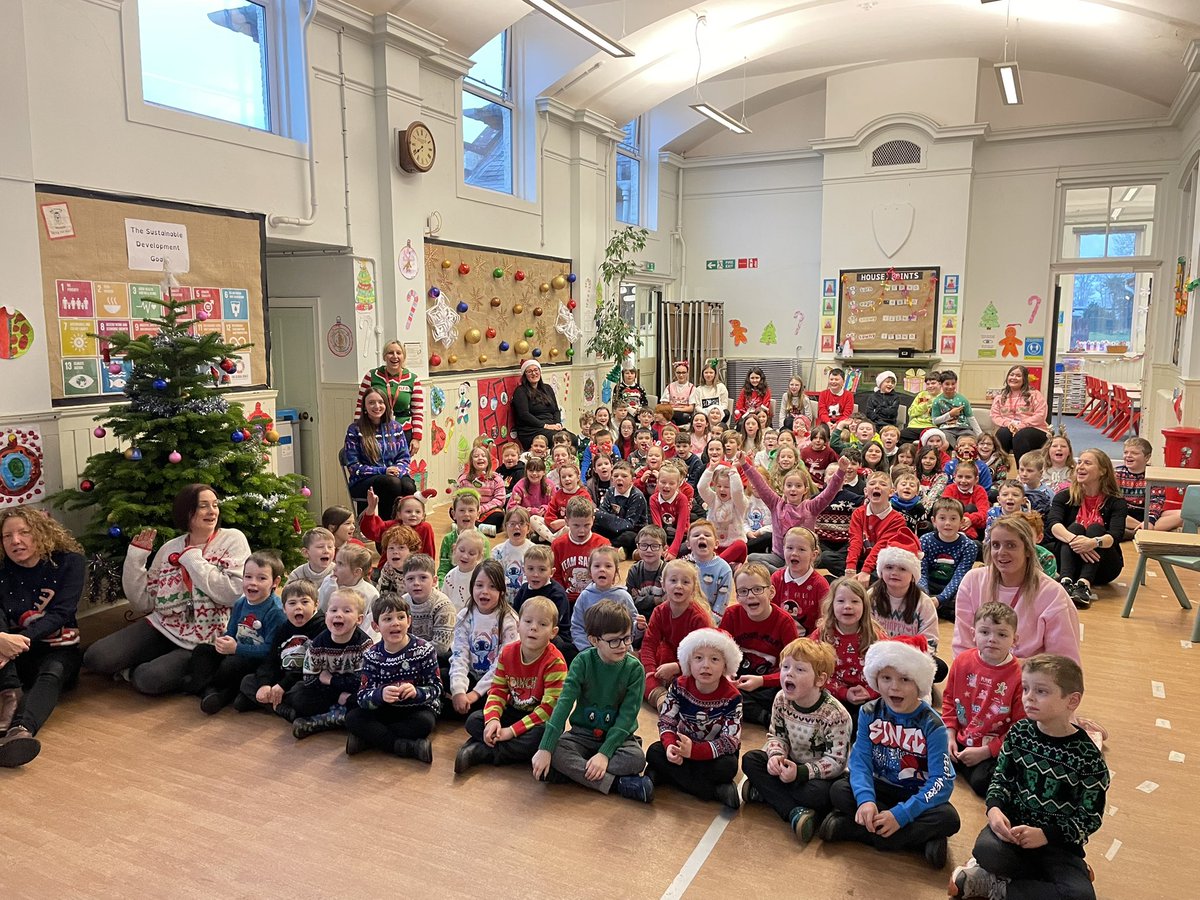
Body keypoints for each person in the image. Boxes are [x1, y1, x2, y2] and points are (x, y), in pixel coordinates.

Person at [951, 655, 1109, 900]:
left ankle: (997, 886)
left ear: (1072, 701)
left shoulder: (1088, 758)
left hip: (1058, 846)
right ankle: (1039, 882)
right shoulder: (1019, 733)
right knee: (986, 850)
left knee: (1081, 897)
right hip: (1012, 833)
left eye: (1041, 691)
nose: (1029, 697)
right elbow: (1000, 779)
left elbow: (1089, 818)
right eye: (1025, 689)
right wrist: (994, 809)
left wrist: (1046, 834)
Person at [83, 484, 250, 696]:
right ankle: (151, 663)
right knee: (95, 657)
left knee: (147, 679)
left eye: (215, 505)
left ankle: (147, 669)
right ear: (186, 511)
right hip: (164, 627)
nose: (212, 511)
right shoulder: (170, 547)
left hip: (205, 639)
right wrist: (135, 559)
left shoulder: (232, 539)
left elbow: (232, 594)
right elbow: (143, 602)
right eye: (203, 506)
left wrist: (194, 560)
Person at [821, 636, 961, 869]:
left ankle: (854, 830)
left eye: (904, 679)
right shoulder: (869, 712)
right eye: (886, 678)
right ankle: (916, 841)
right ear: (876, 679)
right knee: (839, 791)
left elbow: (941, 782)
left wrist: (902, 815)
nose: (894, 687)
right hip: (881, 788)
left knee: (949, 819)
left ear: (918, 684)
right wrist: (866, 801)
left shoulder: (933, 725)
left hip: (915, 793)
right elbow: (860, 761)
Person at [531, 600, 652, 802]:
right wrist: (545, 747)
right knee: (557, 749)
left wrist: (604, 754)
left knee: (637, 759)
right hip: (583, 734)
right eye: (614, 640)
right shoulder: (582, 662)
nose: (622, 646)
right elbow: (564, 703)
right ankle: (617, 784)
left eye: (627, 638)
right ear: (594, 641)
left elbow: (627, 717)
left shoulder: (635, 669)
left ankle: (577, 773)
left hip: (619, 739)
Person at [741, 637, 852, 843]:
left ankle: (767, 794)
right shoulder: (781, 699)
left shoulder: (836, 714)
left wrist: (800, 773)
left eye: (800, 670)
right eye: (785, 667)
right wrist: (776, 756)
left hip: (816, 775)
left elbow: (836, 762)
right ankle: (795, 811)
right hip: (788, 766)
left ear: (819, 680)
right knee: (750, 759)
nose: (789, 673)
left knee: (819, 794)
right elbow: (777, 736)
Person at [0, 509, 86, 767]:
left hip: (58, 648)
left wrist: (16, 642)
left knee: (52, 673)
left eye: (24, 532)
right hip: (10, 656)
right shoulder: (2, 571)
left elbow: (62, 613)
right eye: (7, 536)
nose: (16, 541)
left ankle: (20, 730)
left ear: (41, 532)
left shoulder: (70, 562)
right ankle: (9, 691)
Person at [455, 595, 568, 773]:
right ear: (518, 625)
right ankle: (506, 747)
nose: (533, 628)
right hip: (513, 711)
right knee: (474, 721)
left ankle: (484, 752)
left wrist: (511, 732)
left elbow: (548, 709)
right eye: (528, 621)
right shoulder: (507, 653)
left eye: (543, 624)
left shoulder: (555, 663)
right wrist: (493, 720)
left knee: (543, 736)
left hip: (539, 719)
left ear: (553, 632)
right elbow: (497, 690)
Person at [953, 514, 1081, 663]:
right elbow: (962, 646)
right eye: (996, 545)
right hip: (980, 673)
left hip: (1030, 680)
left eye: (1011, 545)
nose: (1001, 552)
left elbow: (1063, 661)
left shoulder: (1053, 594)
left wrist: (1009, 667)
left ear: (1028, 549)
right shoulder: (972, 581)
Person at [645, 627, 744, 809]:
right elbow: (667, 720)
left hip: (712, 754)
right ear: (688, 662)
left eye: (714, 659)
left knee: (728, 767)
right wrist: (670, 746)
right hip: (682, 746)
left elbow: (730, 741)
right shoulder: (679, 685)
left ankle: (668, 776)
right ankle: (713, 791)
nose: (705, 665)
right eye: (698, 658)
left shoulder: (732, 697)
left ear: (725, 665)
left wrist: (696, 752)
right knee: (654, 751)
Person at [186, 552, 286, 714]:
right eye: (248, 577)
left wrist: (236, 649)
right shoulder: (240, 602)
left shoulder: (275, 611)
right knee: (202, 651)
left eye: (261, 578)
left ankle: (214, 690)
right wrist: (224, 642)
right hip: (235, 652)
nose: (253, 583)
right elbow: (231, 631)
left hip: (257, 661)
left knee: (231, 665)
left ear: (275, 582)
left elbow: (270, 651)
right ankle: (213, 691)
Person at [942, 601, 1024, 799]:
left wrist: (987, 751)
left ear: (1015, 639)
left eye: (1002, 634)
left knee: (982, 783)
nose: (992, 640)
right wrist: (949, 735)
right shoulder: (962, 661)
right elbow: (949, 701)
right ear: (973, 634)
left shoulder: (1020, 675)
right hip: (960, 736)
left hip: (991, 746)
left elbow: (1020, 726)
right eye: (985, 632)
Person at [344, 594, 440, 762]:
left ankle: (370, 740)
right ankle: (404, 746)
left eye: (401, 617)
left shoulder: (425, 650)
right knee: (353, 718)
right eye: (388, 619)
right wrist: (380, 694)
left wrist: (416, 691)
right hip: (385, 709)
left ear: (409, 621)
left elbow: (436, 688)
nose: (395, 623)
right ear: (376, 626)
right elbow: (362, 696)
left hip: (415, 708)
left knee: (425, 723)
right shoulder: (371, 655)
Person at [1047, 449, 1127, 610]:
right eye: (1080, 462)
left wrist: (1092, 543)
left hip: (1104, 567)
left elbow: (1115, 535)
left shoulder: (1116, 502)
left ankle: (1084, 584)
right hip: (1069, 560)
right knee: (1075, 528)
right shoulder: (1064, 496)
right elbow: (1053, 525)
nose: (1080, 467)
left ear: (1103, 471)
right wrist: (1075, 540)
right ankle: (1066, 582)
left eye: (1087, 463)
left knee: (1096, 529)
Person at [721, 562, 799, 726]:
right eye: (743, 591)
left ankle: (760, 713)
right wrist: (725, 675)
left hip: (768, 685)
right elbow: (718, 653)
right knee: (717, 687)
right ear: (737, 595)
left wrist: (762, 681)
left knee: (790, 692)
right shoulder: (731, 615)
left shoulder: (785, 622)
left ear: (771, 592)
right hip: (737, 683)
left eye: (757, 589)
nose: (750, 596)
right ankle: (767, 717)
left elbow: (793, 667)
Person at [290, 588, 374, 739]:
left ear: (359, 619)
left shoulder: (365, 644)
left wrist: (331, 680)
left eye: (347, 611)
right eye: (333, 610)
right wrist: (339, 695)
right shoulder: (317, 644)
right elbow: (310, 679)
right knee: (299, 698)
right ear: (326, 614)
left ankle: (321, 721)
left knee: (368, 700)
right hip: (330, 693)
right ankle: (340, 715)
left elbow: (363, 680)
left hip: (351, 692)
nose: (338, 614)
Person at [743, 453, 849, 570]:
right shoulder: (776, 504)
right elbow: (760, 484)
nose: (793, 489)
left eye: (798, 486)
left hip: (803, 558)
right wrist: (744, 464)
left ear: (805, 490)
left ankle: (787, 573)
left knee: (812, 560)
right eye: (789, 485)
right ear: (783, 488)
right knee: (752, 558)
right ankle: (783, 573)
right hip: (779, 557)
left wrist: (841, 471)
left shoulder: (811, 507)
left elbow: (829, 492)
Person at [235, 580, 323, 720]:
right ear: (284, 608)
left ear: (315, 605)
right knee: (247, 681)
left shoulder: (322, 628)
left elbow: (314, 667)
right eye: (292, 603)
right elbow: (272, 659)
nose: (298, 608)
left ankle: (271, 704)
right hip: (283, 677)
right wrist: (265, 684)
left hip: (304, 679)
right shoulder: (284, 628)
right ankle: (281, 707)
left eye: (305, 602)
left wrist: (282, 686)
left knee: (302, 692)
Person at [812, 577, 887, 728]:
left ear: (864, 606)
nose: (847, 606)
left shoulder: (876, 636)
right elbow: (813, 673)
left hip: (870, 698)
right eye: (840, 601)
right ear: (831, 605)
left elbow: (888, 672)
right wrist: (843, 693)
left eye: (855, 601)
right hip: (832, 698)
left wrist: (870, 691)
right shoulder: (822, 635)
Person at [449, 560, 518, 716]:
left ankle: (470, 709)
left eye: (492, 586)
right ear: (472, 587)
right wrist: (459, 690)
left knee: (502, 697)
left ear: (501, 591)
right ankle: (462, 705)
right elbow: (460, 655)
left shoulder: (509, 620)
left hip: (498, 682)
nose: (485, 591)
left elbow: (501, 664)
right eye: (479, 585)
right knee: (443, 673)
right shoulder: (464, 616)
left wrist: (475, 694)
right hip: (472, 676)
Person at [870, 547, 946, 684]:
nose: (894, 573)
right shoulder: (871, 597)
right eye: (889, 567)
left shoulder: (924, 603)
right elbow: (864, 635)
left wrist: (904, 657)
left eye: (902, 569)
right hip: (878, 656)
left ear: (913, 575)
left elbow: (930, 641)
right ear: (881, 571)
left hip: (910, 657)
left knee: (940, 669)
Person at [343, 387, 414, 520]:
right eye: (371, 403)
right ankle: (384, 534)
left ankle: (406, 533)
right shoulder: (355, 430)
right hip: (362, 481)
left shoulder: (396, 427)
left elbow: (404, 458)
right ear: (364, 406)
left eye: (380, 402)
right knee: (391, 484)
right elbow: (353, 467)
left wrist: (398, 470)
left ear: (386, 405)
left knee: (408, 486)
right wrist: (383, 470)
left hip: (393, 476)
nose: (377, 406)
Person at [846, 471, 921, 582]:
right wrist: (850, 569)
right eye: (872, 484)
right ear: (866, 491)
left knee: (887, 573)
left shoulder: (897, 519)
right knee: (828, 558)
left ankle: (865, 580)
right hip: (862, 558)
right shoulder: (858, 513)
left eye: (883, 484)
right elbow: (855, 541)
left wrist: (866, 571)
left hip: (881, 561)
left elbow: (880, 547)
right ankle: (857, 578)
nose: (876, 486)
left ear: (891, 492)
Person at [354, 339, 424, 456]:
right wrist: (358, 433)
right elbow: (360, 406)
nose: (395, 356)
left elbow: (417, 412)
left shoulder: (413, 379)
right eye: (390, 353)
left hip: (403, 433)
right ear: (384, 356)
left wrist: (416, 438)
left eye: (398, 353)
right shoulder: (371, 376)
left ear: (403, 356)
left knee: (400, 469)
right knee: (377, 466)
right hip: (374, 431)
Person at [570, 546, 639, 653]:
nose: (602, 569)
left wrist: (639, 627)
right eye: (597, 566)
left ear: (616, 572)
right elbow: (577, 627)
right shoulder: (584, 597)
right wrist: (587, 650)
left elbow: (633, 626)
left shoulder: (623, 597)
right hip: (592, 652)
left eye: (608, 566)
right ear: (590, 571)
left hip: (621, 651)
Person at [919, 498, 979, 618]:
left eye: (953, 519)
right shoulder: (925, 540)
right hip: (929, 585)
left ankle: (938, 607)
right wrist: (924, 595)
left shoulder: (969, 546)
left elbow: (959, 577)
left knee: (970, 598)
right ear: (934, 521)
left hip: (953, 588)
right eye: (942, 518)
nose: (947, 523)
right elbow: (922, 572)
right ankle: (931, 606)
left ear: (961, 522)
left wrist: (941, 599)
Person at [512, 544, 573, 661]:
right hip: (528, 631)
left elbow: (551, 625)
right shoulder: (524, 589)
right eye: (530, 569)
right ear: (524, 570)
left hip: (553, 635)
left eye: (542, 569)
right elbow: (514, 615)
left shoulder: (557, 594)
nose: (535, 574)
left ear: (552, 572)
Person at [989, 364, 1051, 459]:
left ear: (1024, 379)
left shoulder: (1035, 395)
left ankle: (1021, 470)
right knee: (1002, 433)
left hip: (1035, 430)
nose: (1014, 378)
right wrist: (1008, 424)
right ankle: (1001, 468)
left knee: (1020, 435)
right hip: (1010, 428)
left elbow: (1041, 415)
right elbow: (995, 415)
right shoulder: (1000, 397)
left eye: (1018, 375)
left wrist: (1022, 425)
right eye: (1011, 374)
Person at [402, 554, 455, 663]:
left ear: (434, 581)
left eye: (423, 577)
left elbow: (441, 647)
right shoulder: (402, 603)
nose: (416, 583)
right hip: (408, 653)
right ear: (404, 583)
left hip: (437, 657)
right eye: (410, 578)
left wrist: (407, 651)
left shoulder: (443, 606)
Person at [317, 544, 380, 632]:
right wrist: (330, 588)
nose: (334, 568)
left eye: (340, 564)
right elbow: (319, 608)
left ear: (357, 572)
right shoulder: (329, 581)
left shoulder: (370, 593)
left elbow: (369, 623)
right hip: (324, 631)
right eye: (336, 562)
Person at [593, 460, 648, 558]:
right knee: (594, 525)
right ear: (612, 478)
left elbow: (629, 524)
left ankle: (608, 547)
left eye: (624, 476)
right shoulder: (610, 491)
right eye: (616, 476)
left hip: (632, 531)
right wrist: (603, 517)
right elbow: (601, 513)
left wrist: (605, 517)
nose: (619, 479)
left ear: (632, 479)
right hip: (613, 528)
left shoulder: (636, 496)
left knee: (629, 537)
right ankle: (616, 549)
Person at [512, 359, 571, 450]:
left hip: (552, 426)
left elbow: (555, 409)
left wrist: (558, 423)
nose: (534, 373)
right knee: (559, 440)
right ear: (525, 375)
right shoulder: (520, 391)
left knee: (573, 439)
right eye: (529, 371)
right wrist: (545, 426)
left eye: (536, 370)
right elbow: (524, 415)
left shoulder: (547, 388)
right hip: (532, 429)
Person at [697, 465, 748, 565]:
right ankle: (718, 565)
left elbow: (738, 491)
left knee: (741, 545)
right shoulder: (712, 499)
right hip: (714, 548)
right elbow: (701, 487)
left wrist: (734, 472)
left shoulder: (739, 503)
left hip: (733, 549)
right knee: (700, 542)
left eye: (726, 487)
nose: (722, 489)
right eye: (719, 486)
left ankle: (714, 565)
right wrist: (711, 469)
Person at [457, 445, 506, 533]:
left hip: (488, 511)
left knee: (499, 516)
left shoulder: (496, 479)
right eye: (476, 456)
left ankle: (468, 526)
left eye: (483, 456)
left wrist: (482, 509)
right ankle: (481, 527)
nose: (480, 458)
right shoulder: (464, 479)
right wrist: (471, 510)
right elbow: (459, 498)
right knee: (453, 511)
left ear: (488, 460)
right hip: (469, 510)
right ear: (471, 461)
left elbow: (500, 499)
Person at [491, 507, 532, 605]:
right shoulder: (497, 552)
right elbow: (493, 578)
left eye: (521, 524)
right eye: (512, 524)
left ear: (528, 528)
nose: (517, 527)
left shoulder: (534, 551)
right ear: (505, 527)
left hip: (527, 601)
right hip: (503, 602)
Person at [931, 370, 980, 442]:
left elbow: (971, 418)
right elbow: (935, 421)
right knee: (945, 440)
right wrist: (950, 414)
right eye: (947, 384)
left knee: (968, 440)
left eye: (953, 384)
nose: (950, 387)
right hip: (946, 429)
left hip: (964, 429)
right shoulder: (937, 401)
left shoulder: (963, 399)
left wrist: (980, 435)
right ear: (941, 384)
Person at [899, 370, 941, 444]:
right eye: (928, 384)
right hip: (915, 426)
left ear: (940, 384)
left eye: (933, 383)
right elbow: (911, 412)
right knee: (899, 436)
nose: (930, 386)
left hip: (931, 427)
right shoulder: (921, 395)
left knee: (932, 440)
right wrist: (925, 406)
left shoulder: (942, 397)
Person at [691, 359, 731, 424]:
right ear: (703, 374)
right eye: (706, 373)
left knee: (726, 413)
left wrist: (716, 412)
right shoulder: (698, 389)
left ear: (715, 374)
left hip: (718, 414)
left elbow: (724, 404)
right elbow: (697, 406)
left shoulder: (721, 387)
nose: (708, 375)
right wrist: (707, 413)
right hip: (704, 414)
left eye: (711, 372)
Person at [663, 360, 696, 425]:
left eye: (684, 372)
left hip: (683, 414)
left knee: (683, 417)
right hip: (670, 413)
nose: (681, 375)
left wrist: (675, 409)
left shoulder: (692, 388)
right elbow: (664, 404)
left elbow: (691, 408)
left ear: (687, 373)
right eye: (678, 372)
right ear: (675, 373)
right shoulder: (670, 386)